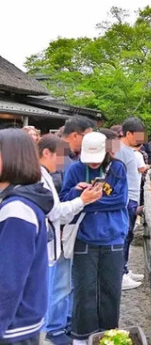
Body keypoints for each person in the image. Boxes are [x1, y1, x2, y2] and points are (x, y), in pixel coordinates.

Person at [60, 132, 129, 344]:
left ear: (106, 152)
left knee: (111, 289)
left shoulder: (117, 168)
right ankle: (81, 338)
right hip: (84, 238)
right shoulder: (75, 169)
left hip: (113, 237)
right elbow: (63, 199)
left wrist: (86, 201)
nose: (92, 163)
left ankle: (109, 335)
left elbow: (120, 200)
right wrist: (77, 195)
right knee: (83, 290)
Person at [39, 135, 104, 345]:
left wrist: (77, 195)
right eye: (60, 157)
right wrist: (81, 200)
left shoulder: (45, 174)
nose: (62, 163)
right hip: (49, 241)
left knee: (63, 285)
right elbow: (56, 212)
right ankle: (54, 329)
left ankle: (60, 325)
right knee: (58, 286)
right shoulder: (40, 177)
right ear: (46, 153)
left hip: (53, 240)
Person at [0, 130, 55, 345]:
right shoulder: (18, 198)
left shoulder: (17, 209)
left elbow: (8, 281)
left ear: (14, 157)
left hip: (12, 326)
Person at [113, 118, 146, 291]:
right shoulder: (120, 151)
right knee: (124, 236)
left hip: (132, 198)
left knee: (129, 235)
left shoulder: (128, 150)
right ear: (128, 134)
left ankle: (124, 269)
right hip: (127, 200)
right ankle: (120, 275)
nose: (140, 139)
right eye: (138, 135)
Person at [55, 116, 95, 193]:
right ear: (75, 136)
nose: (90, 142)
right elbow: (58, 186)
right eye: (88, 138)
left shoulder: (76, 155)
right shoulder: (58, 154)